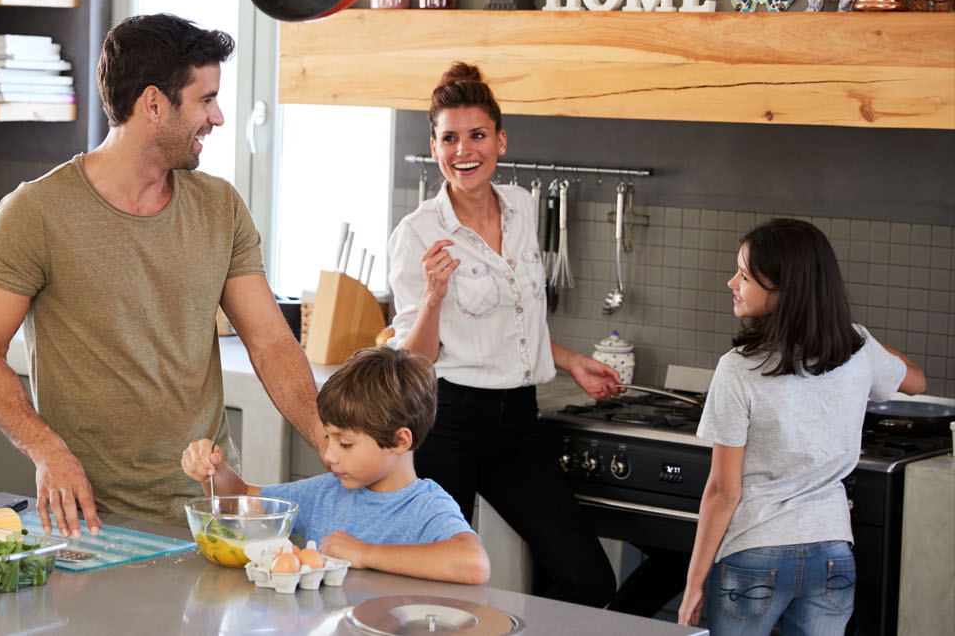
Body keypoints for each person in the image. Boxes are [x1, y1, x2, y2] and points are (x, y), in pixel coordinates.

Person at [0, 13, 324, 538]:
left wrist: (323, 436)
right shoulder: (36, 211)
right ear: (153, 104)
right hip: (91, 521)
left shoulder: (220, 206)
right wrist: (45, 449)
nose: (218, 117)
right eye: (206, 99)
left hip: (206, 515)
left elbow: (268, 340)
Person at [384, 61, 622, 607]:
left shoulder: (521, 205)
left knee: (589, 578)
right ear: (435, 144)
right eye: (449, 138)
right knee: (439, 590)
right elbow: (415, 362)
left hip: (517, 421)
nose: (463, 151)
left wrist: (568, 360)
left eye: (477, 135)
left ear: (501, 139)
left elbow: (515, 320)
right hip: (448, 421)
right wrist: (435, 296)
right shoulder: (417, 233)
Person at [677, 219, 925, 635]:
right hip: (831, 554)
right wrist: (861, 341)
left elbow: (724, 491)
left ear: (783, 291)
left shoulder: (739, 369)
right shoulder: (857, 347)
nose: (731, 282)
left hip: (753, 554)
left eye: (745, 275)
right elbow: (916, 381)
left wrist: (693, 582)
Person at [182, 345, 490, 584]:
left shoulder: (426, 507)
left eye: (346, 444)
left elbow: (474, 563)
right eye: (328, 438)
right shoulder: (325, 492)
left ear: (400, 441)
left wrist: (366, 554)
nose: (329, 455)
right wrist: (215, 472)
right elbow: (243, 501)